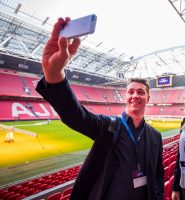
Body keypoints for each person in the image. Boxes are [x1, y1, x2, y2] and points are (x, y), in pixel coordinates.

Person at [35, 17, 164, 200]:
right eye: (131, 92)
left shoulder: (155, 136)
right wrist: (54, 74)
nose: (135, 95)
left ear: (148, 98)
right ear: (126, 96)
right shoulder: (109, 126)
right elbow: (76, 116)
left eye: (141, 92)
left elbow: (157, 174)